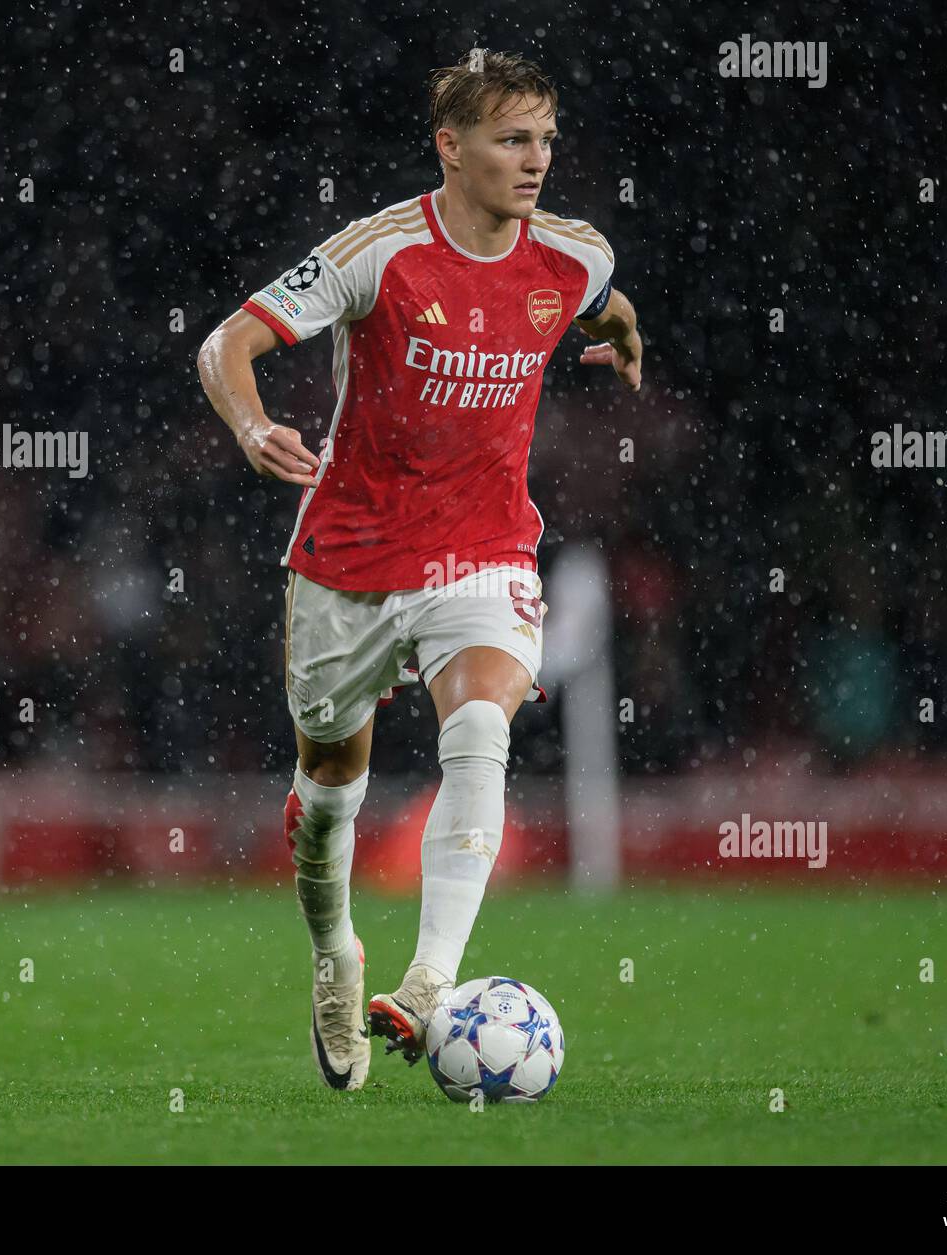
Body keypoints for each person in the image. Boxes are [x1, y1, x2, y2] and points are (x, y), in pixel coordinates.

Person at [197, 49, 642, 1090]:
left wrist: (625, 344)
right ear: (451, 147)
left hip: (482, 551)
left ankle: (432, 983)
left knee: (481, 726)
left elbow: (608, 303)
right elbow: (226, 344)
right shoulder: (381, 254)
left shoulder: (573, 256)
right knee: (328, 799)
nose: (534, 161)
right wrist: (253, 425)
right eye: (510, 140)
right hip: (349, 557)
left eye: (543, 140)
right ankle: (335, 956)